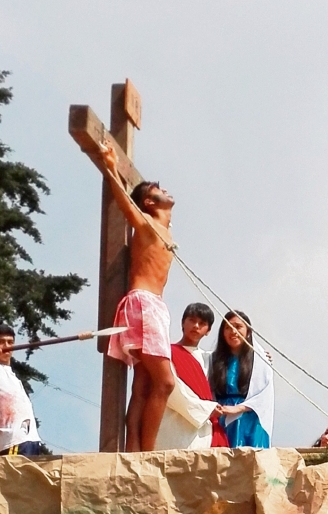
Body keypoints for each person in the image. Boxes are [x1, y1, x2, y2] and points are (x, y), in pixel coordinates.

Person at [97, 138, 176, 451]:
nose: (163, 188)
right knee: (165, 382)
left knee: (144, 385)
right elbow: (124, 202)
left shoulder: (166, 232)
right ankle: (147, 452)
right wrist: (111, 167)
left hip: (156, 306)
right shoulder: (146, 224)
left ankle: (134, 452)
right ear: (149, 203)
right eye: (156, 188)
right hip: (143, 302)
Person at [157, 302, 228, 450]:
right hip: (175, 429)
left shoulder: (209, 359)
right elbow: (173, 392)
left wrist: (262, 358)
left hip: (205, 432)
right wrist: (207, 410)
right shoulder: (167, 353)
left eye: (202, 323)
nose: (196, 326)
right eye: (192, 320)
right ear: (183, 323)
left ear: (208, 330)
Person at [0, 324, 45, 456]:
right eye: (0, 342)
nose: (6, 346)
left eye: (10, 342)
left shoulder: (13, 376)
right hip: (14, 442)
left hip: (32, 441)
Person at [209, 310, 274, 448]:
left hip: (249, 420)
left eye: (238, 327)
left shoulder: (260, 360)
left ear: (248, 331)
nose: (233, 331)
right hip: (222, 416)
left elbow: (264, 394)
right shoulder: (213, 360)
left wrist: (238, 408)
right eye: (228, 327)